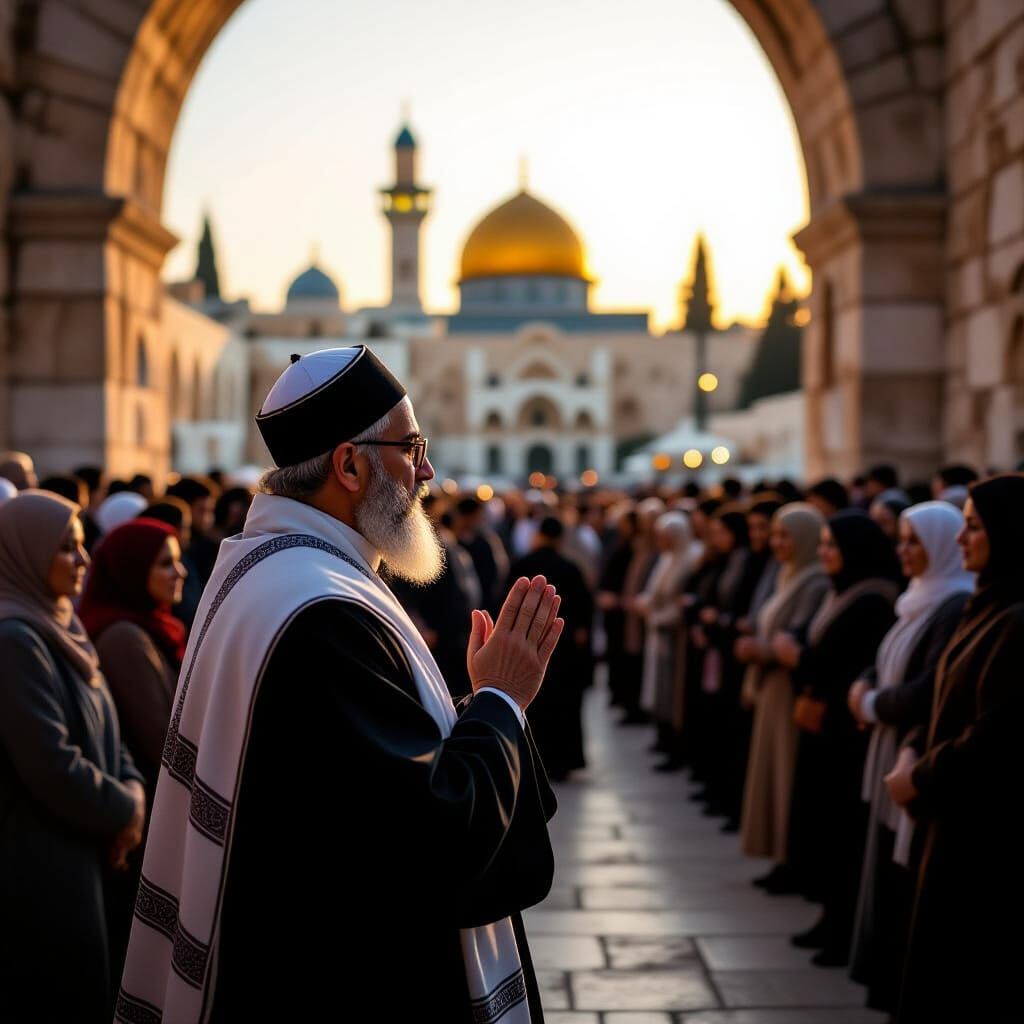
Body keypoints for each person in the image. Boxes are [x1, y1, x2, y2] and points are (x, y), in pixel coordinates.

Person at [117, 346, 564, 1023]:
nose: (428, 471)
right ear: (349, 464)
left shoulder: (272, 571)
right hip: (348, 974)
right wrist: (502, 700)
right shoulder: (320, 608)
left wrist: (466, 708)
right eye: (411, 447)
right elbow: (432, 836)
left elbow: (355, 774)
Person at [0, 491, 146, 1023]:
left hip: (86, 856)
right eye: (66, 549)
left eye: (82, 547)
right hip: (42, 871)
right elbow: (51, 764)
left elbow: (113, 731)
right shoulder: (15, 640)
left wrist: (132, 789)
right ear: (26, 553)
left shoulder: (62, 628)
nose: (83, 561)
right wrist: (125, 810)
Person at [885, 475, 1024, 1023]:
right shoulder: (985, 605)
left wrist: (919, 777)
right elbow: (943, 695)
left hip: (980, 832)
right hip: (948, 813)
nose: (962, 540)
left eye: (974, 527)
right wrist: (911, 751)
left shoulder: (1015, 619)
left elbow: (996, 733)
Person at [846, 502, 972, 1014]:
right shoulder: (915, 598)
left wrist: (873, 702)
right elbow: (887, 660)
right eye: (900, 539)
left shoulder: (955, 603)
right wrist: (866, 687)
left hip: (907, 748)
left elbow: (928, 687)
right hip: (886, 743)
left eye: (914, 541)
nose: (903, 550)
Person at [773, 511, 900, 966]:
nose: (825, 552)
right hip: (823, 731)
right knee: (825, 828)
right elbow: (809, 638)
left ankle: (842, 927)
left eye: (833, 545)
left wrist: (799, 655)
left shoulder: (872, 601)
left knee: (842, 832)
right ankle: (830, 919)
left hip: (847, 738)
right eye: (822, 544)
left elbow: (838, 664)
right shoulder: (840, 592)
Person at [736, 503, 830, 891]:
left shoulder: (815, 581)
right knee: (771, 772)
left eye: (784, 535)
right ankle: (779, 856)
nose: (776, 543)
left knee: (785, 775)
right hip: (772, 689)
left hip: (789, 691)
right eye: (774, 534)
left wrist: (763, 650)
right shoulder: (787, 575)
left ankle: (794, 860)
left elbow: (796, 640)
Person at [79, 519, 188, 792]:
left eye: (178, 560)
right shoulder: (123, 638)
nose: (180, 572)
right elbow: (161, 740)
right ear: (133, 571)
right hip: (152, 797)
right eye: (165, 564)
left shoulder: (153, 626)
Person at [507, 515, 593, 781]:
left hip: (529, 644)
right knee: (563, 706)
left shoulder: (524, 564)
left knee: (535, 705)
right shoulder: (571, 567)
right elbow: (585, 611)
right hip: (564, 649)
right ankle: (562, 762)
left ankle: (535, 759)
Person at [636, 510, 696, 771]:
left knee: (672, 690)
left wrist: (657, 617)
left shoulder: (687, 560)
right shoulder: (667, 559)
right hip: (658, 631)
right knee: (659, 687)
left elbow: (678, 602)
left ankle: (675, 744)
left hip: (672, 635)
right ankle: (663, 737)